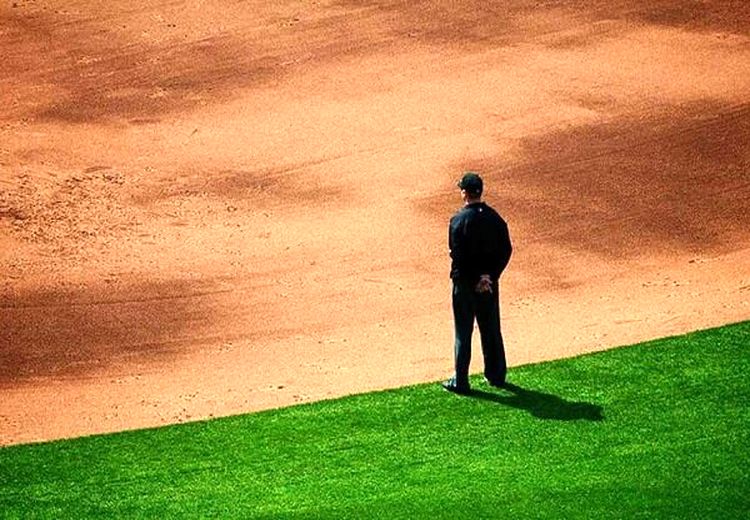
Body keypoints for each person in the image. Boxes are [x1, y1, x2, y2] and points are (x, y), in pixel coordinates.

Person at [443, 172, 513, 394]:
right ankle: (496, 375)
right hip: (489, 286)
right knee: (491, 328)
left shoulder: (458, 221)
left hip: (464, 285)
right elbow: (506, 250)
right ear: (480, 191)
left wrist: (476, 279)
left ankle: (461, 381)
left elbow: (458, 256)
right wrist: (489, 277)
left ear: (464, 192)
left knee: (463, 332)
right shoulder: (495, 218)